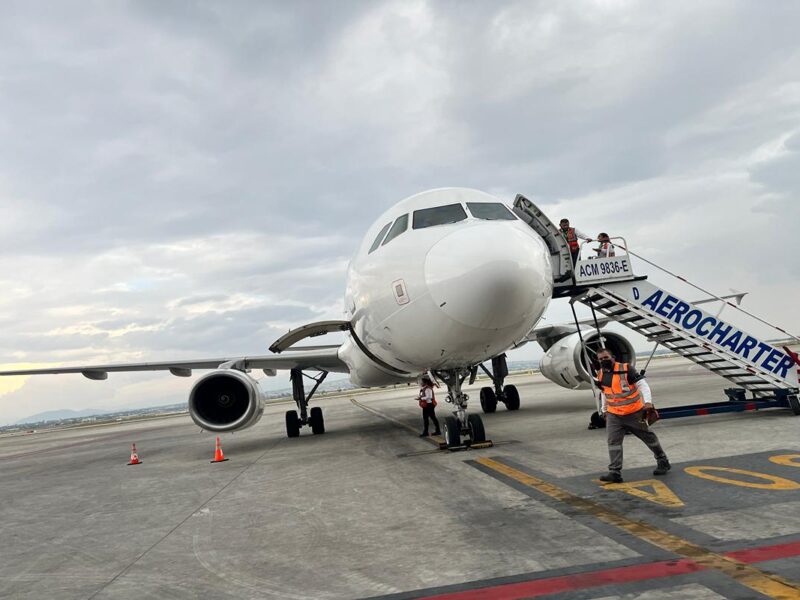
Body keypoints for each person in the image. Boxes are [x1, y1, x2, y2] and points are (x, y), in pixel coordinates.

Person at [595, 347, 670, 483]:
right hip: (614, 415)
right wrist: (604, 409)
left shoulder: (626, 369)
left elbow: (643, 385)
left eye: (605, 358)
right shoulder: (601, 374)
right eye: (600, 359)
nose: (603, 361)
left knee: (649, 438)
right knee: (613, 442)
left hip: (634, 413)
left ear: (612, 357)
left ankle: (662, 460)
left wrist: (648, 403)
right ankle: (615, 472)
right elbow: (604, 392)